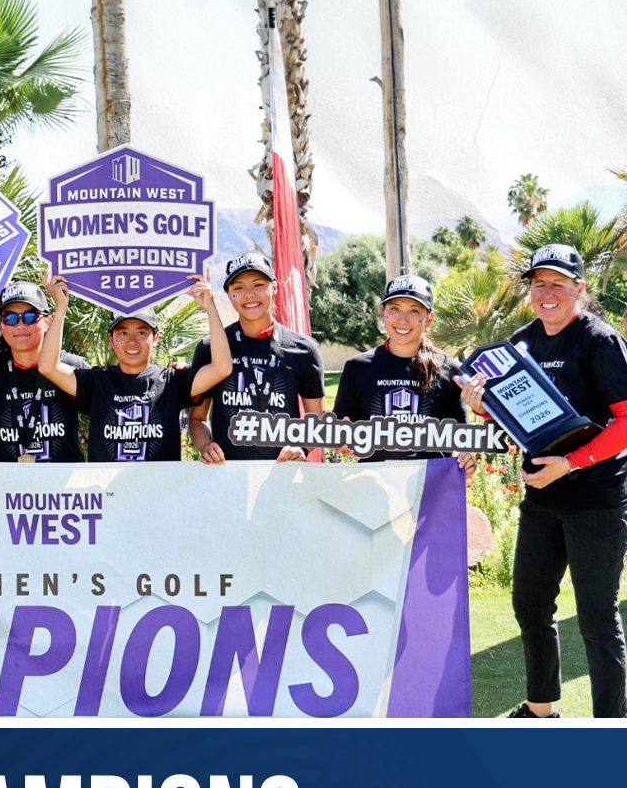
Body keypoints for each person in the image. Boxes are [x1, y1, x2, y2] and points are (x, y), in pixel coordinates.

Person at [458, 244, 627, 719]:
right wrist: (481, 407)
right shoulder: (519, 344)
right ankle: (540, 710)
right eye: (538, 284)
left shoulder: (600, 340)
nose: (547, 293)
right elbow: (511, 423)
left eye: (558, 283)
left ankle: (611, 727)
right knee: (531, 607)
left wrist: (571, 463)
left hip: (596, 499)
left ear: (580, 288)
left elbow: (625, 422)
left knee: (596, 617)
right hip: (541, 497)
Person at [38, 270, 231, 462]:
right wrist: (61, 307)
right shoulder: (96, 383)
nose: (131, 341)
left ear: (155, 338)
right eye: (122, 333)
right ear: (111, 340)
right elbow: (48, 367)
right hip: (107, 492)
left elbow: (221, 368)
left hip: (161, 491)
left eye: (141, 332)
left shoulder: (172, 382)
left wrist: (210, 307)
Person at [187, 252, 324, 463]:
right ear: (227, 293)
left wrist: (301, 447)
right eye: (238, 288)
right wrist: (206, 445)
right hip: (226, 479)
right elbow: (197, 418)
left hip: (283, 478)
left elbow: (317, 421)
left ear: (275, 287)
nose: (249, 294)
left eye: (258, 284)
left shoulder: (304, 350)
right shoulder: (209, 348)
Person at [333, 274, 475, 476]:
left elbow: (461, 439)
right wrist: (341, 441)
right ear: (384, 313)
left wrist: (465, 460)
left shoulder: (450, 370)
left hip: (430, 489)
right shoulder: (357, 368)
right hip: (372, 489)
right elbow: (340, 430)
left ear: (428, 319)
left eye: (414, 311)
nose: (402, 320)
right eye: (395, 309)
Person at [0, 281, 88, 462]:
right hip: (8, 489)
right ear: (0, 325)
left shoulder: (71, 366)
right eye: (10, 319)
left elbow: (108, 418)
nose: (20, 325)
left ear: (47, 322)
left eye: (30, 317)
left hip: (65, 488)